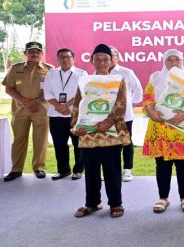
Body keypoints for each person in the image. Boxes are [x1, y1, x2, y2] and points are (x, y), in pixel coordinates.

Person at [71, 44, 131, 218]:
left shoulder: (118, 80)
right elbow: (77, 104)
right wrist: (75, 125)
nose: (102, 62)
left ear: (111, 62)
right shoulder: (85, 81)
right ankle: (92, 203)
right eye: (98, 59)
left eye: (105, 59)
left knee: (112, 169)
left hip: (111, 131)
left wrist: (108, 121)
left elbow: (121, 105)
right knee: (90, 169)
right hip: (88, 132)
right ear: (92, 61)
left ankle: (116, 204)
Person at [142, 49, 184, 213]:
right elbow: (148, 97)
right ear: (164, 62)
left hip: (183, 126)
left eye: (177, 59)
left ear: (182, 61)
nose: (173, 63)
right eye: (170, 60)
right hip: (160, 126)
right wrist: (151, 111)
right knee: (162, 164)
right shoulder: (155, 77)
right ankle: (163, 198)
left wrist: (183, 114)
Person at [2, 41, 54, 181]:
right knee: (19, 140)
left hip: (41, 109)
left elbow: (51, 90)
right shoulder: (15, 68)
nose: (34, 53)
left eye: (38, 51)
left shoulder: (50, 69)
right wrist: (24, 101)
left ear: (42, 54)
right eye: (31, 51)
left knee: (40, 140)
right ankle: (16, 169)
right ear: (25, 54)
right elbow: (8, 88)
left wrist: (36, 101)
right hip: (20, 110)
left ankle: (39, 167)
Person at [43, 48, 88, 180]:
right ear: (58, 59)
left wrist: (67, 105)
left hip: (75, 115)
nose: (65, 59)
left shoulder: (82, 74)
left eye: (68, 57)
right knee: (59, 144)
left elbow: (83, 92)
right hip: (56, 114)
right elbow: (47, 92)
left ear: (73, 59)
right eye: (62, 57)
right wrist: (58, 106)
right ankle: (63, 170)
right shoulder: (51, 74)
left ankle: (78, 170)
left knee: (78, 144)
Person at [109, 46, 143, 182]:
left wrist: (131, 104)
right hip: (106, 116)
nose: (109, 59)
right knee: (110, 143)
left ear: (118, 57)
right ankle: (112, 171)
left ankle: (127, 169)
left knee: (126, 142)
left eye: (112, 56)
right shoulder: (99, 72)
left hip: (125, 115)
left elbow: (138, 89)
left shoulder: (126, 72)